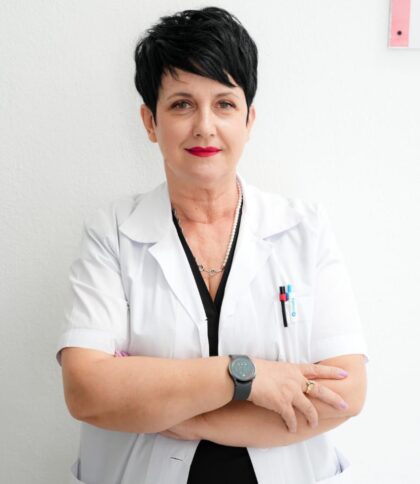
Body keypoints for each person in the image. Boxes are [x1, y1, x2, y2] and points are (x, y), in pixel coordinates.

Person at [56, 6, 369, 484]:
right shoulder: (113, 233)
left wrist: (178, 414)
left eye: (224, 104)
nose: (204, 125)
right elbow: (87, 390)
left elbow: (346, 393)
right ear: (149, 121)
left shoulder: (304, 230)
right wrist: (247, 376)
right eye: (182, 104)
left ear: (249, 119)